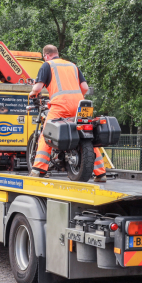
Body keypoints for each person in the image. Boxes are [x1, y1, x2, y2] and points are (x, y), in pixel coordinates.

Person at [29, 45, 106, 182]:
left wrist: (32, 93)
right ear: (57, 53)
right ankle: (100, 173)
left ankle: (38, 170)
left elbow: (38, 87)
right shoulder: (72, 65)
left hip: (61, 105)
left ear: (46, 55)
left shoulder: (47, 65)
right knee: (87, 138)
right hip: (81, 105)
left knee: (47, 134)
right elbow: (85, 88)